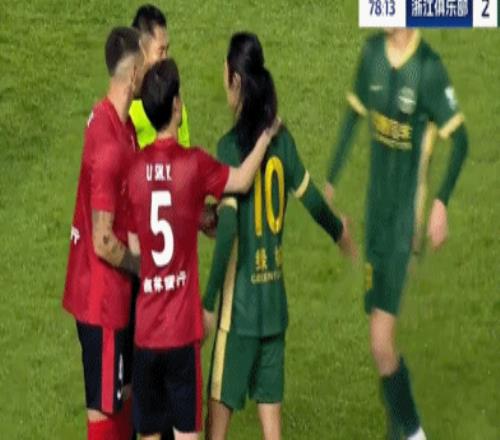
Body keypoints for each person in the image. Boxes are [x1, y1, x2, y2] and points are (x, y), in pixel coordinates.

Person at [202, 32, 356, 440]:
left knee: (215, 429)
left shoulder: (229, 148)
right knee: (273, 432)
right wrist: (340, 232)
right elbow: (312, 201)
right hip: (273, 307)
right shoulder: (281, 140)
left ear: (235, 79)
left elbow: (229, 228)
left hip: (238, 314)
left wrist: (207, 300)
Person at [324, 29, 468, 440]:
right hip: (376, 219)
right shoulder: (372, 53)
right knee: (380, 336)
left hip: (406, 225)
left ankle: (414, 433)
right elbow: (352, 117)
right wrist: (329, 184)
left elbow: (460, 141)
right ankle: (400, 433)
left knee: (380, 342)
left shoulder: (428, 68)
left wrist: (440, 203)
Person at [126, 58, 280, 440]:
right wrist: (265, 136)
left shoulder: (134, 170)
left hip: (146, 334)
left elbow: (134, 247)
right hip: (181, 333)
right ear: (176, 106)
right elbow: (241, 180)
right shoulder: (192, 165)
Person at [62, 27, 145, 440]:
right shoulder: (110, 144)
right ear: (133, 76)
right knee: (104, 410)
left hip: (111, 294)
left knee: (122, 395)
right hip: (103, 299)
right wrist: (142, 267)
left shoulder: (115, 121)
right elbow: (103, 240)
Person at [130, 4, 190, 148]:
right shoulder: (126, 107)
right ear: (141, 51)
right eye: (160, 51)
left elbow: (185, 150)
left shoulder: (172, 97)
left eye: (167, 50)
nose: (165, 58)